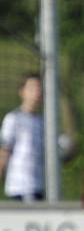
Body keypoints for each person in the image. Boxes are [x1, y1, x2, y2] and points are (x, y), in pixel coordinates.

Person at [0, 72, 45, 202]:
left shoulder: (42, 122)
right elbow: (4, 150)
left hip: (39, 185)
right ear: (22, 91)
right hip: (20, 186)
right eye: (32, 88)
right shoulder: (13, 118)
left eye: (39, 88)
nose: (36, 92)